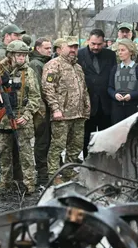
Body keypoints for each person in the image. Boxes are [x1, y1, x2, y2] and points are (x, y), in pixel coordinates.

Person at [0, 40, 40, 193]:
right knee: (4, 152)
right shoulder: (0, 70)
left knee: (25, 153)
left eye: (24, 55)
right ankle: (5, 183)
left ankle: (29, 184)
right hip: (3, 118)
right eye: (19, 55)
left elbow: (35, 97)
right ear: (10, 55)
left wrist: (26, 115)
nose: (22, 58)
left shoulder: (28, 72)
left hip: (20, 116)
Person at [42, 36, 90, 183]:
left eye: (75, 47)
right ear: (59, 49)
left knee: (76, 146)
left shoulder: (77, 67)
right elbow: (47, 88)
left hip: (78, 114)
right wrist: (55, 109)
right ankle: (54, 175)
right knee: (57, 146)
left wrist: (86, 108)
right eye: (70, 47)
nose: (73, 50)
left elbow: (84, 89)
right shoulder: (53, 65)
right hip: (61, 115)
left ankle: (68, 172)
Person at [77, 29, 116, 158]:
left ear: (104, 43)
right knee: (87, 136)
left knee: (106, 136)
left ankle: (106, 162)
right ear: (88, 40)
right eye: (93, 43)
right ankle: (89, 161)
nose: (96, 47)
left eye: (99, 44)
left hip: (106, 103)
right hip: (88, 104)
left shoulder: (110, 55)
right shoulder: (80, 55)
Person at [28, 37, 52, 185]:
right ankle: (42, 173)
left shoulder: (44, 62)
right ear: (38, 48)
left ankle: (46, 170)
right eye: (47, 48)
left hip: (47, 106)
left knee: (48, 139)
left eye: (50, 48)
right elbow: (38, 88)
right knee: (42, 141)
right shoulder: (36, 64)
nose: (50, 51)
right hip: (41, 108)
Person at [108, 39, 138, 124]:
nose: (119, 53)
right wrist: (115, 95)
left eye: (123, 50)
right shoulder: (114, 69)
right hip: (117, 109)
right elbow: (110, 87)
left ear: (131, 52)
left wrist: (132, 95)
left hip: (133, 108)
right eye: (118, 50)